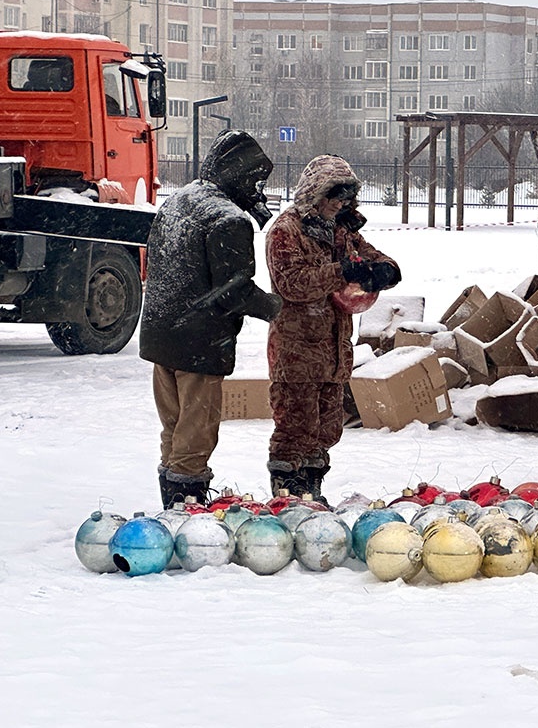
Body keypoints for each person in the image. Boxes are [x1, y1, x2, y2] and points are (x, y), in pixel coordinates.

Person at [139, 129, 282, 509]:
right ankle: (187, 506)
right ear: (238, 175)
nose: (257, 188)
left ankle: (172, 504)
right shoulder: (228, 219)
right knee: (196, 433)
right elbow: (233, 291)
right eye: (254, 179)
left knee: (173, 427)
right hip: (198, 344)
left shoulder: (179, 200)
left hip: (160, 335)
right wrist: (275, 308)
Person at [266, 154, 400, 500]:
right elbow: (291, 283)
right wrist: (342, 271)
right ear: (316, 193)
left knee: (326, 429)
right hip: (297, 350)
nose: (339, 204)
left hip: (334, 352)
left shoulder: (343, 231)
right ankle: (288, 494)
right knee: (295, 428)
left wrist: (384, 271)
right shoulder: (287, 230)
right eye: (333, 196)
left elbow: (376, 257)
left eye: (345, 198)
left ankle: (311, 489)